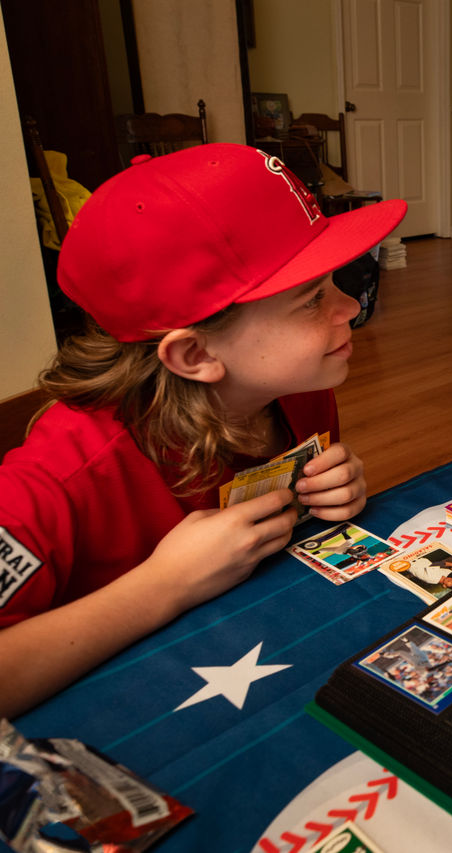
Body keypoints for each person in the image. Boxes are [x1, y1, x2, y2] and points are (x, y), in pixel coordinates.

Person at [0, 144, 406, 718]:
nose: (349, 306)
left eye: (335, 281)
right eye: (312, 299)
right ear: (193, 354)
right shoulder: (58, 477)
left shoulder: (301, 389)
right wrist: (164, 586)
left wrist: (336, 489)